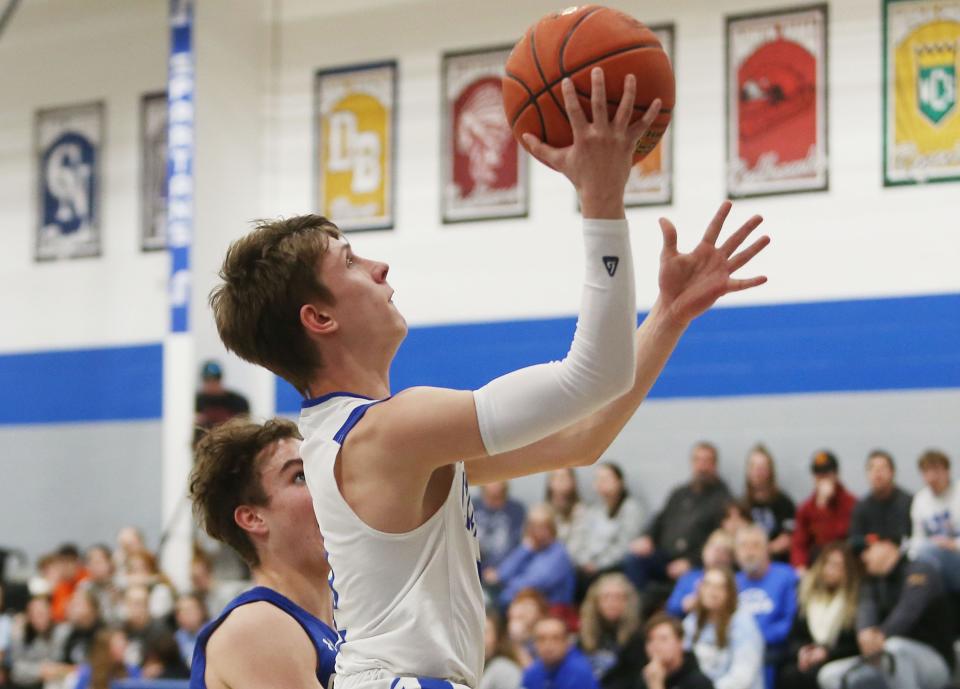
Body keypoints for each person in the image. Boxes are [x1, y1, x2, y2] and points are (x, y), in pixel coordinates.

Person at [210, 68, 768, 689]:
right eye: (350, 261)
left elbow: (582, 437)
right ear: (319, 318)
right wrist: (602, 198)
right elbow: (593, 375)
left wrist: (667, 314)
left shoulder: (381, 441)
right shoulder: (389, 433)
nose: (379, 264)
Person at [187, 417, 338, 689]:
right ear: (253, 518)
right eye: (300, 476)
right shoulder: (256, 627)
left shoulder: (342, 626)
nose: (326, 484)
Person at [816, 537, 953, 689]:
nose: (863, 556)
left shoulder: (919, 570)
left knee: (894, 648)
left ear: (887, 545)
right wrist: (865, 633)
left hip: (935, 661)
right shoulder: (870, 582)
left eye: (868, 549)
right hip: (882, 657)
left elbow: (908, 611)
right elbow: (866, 616)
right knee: (830, 675)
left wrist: (882, 634)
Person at [626, 443, 733, 591]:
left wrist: (691, 562)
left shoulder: (723, 499)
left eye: (706, 461)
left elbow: (719, 539)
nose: (701, 467)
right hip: (665, 556)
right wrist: (647, 537)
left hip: (695, 562)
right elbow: (660, 519)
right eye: (698, 460)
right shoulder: (679, 493)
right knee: (634, 559)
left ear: (714, 465)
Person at [778, 543, 859, 689]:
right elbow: (795, 636)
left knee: (817, 675)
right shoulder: (806, 597)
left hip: (838, 657)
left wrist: (826, 653)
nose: (831, 570)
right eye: (827, 564)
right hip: (809, 657)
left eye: (838, 566)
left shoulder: (854, 602)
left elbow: (854, 644)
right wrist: (802, 651)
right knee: (789, 673)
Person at [733, 525, 797, 689]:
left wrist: (756, 639)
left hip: (772, 648)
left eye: (755, 546)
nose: (749, 552)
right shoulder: (733, 582)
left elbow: (789, 620)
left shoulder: (785, 576)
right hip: (736, 647)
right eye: (744, 546)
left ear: (767, 549)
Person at [682, 567, 764, 689]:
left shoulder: (743, 623)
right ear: (700, 589)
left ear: (730, 593)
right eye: (708, 585)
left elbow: (743, 677)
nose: (712, 592)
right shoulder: (691, 621)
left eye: (720, 587)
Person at [568, 463, 645, 591]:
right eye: (598, 479)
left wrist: (598, 565)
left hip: (612, 566)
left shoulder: (631, 508)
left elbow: (625, 545)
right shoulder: (593, 510)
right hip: (587, 565)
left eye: (606, 479)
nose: (601, 483)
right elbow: (582, 539)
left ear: (620, 482)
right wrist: (584, 561)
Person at [486, 504, 575, 609]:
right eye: (533, 526)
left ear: (552, 528)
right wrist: (524, 550)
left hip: (551, 610)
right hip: (517, 604)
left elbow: (534, 584)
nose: (537, 531)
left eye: (542, 526)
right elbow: (502, 574)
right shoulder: (528, 549)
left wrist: (506, 586)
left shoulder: (558, 554)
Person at [604, 613, 714, 689]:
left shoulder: (699, 683)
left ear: (680, 643)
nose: (656, 645)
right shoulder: (644, 677)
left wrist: (656, 685)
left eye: (663, 639)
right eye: (650, 640)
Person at [790, 451, 856, 572]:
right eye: (818, 475)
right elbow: (799, 543)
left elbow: (836, 539)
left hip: (845, 565)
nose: (822, 480)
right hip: (817, 566)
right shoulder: (806, 508)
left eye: (826, 475)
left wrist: (823, 508)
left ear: (836, 475)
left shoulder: (851, 503)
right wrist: (800, 566)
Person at [908, 449, 960, 590]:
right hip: (933, 561)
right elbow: (917, 539)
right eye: (926, 472)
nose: (932, 477)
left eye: (936, 471)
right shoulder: (920, 499)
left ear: (947, 471)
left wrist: (953, 544)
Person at [578, 573, 641, 681]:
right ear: (595, 602)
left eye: (618, 597)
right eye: (606, 597)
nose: (612, 603)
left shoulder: (637, 637)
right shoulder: (584, 636)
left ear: (628, 602)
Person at [848, 450, 911, 551]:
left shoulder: (907, 502)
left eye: (882, 468)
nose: (877, 473)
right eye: (872, 468)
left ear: (892, 472)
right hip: (869, 556)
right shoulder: (861, 506)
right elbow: (855, 540)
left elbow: (904, 537)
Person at [741, 445, 794, 562]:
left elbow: (788, 539)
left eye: (762, 468)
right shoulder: (741, 504)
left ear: (770, 471)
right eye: (754, 467)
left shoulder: (784, 503)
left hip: (777, 562)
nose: (758, 472)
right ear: (748, 471)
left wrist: (763, 551)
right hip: (747, 563)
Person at [666, 530, 735, 619]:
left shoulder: (734, 580)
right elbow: (671, 608)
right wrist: (685, 604)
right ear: (705, 550)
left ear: (731, 559)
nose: (719, 556)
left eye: (725, 552)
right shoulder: (688, 577)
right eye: (716, 550)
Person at [522, 616, 599, 689]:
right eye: (541, 639)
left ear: (567, 642)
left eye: (556, 638)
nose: (548, 645)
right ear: (534, 643)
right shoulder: (532, 673)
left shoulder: (580, 673)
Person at [475, 481, 527, 571]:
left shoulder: (517, 510)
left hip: (504, 570)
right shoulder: (471, 505)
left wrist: (501, 571)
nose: (494, 482)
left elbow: (517, 545)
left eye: (498, 478)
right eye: (491, 479)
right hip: (473, 568)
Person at [194, 360, 250, 438]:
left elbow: (246, 428)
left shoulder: (238, 401)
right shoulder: (195, 402)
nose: (212, 384)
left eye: (215, 380)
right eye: (208, 380)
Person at [71, 628, 141, 689]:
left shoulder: (132, 671)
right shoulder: (88, 672)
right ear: (105, 649)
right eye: (118, 646)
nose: (123, 649)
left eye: (124, 646)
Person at [78, 545, 122, 626]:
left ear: (109, 563)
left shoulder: (120, 584)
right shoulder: (85, 587)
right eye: (90, 562)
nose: (94, 567)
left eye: (99, 562)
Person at [505, 588, 549, 669]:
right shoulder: (507, 634)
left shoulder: (546, 636)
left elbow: (532, 671)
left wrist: (517, 644)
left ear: (540, 613)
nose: (523, 611)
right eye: (520, 605)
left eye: (528, 607)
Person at [479, 609, 522, 689]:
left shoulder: (505, 669)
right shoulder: (473, 668)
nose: (480, 639)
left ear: (498, 639)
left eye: (485, 632)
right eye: (477, 632)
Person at [545, 468, 588, 547]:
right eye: (556, 478)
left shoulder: (581, 511)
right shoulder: (542, 512)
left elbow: (578, 546)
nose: (560, 482)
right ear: (549, 483)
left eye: (564, 478)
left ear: (573, 482)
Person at [173, 592, 208, 668]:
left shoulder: (213, 633)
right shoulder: (176, 638)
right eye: (180, 611)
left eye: (189, 610)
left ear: (202, 611)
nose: (183, 615)